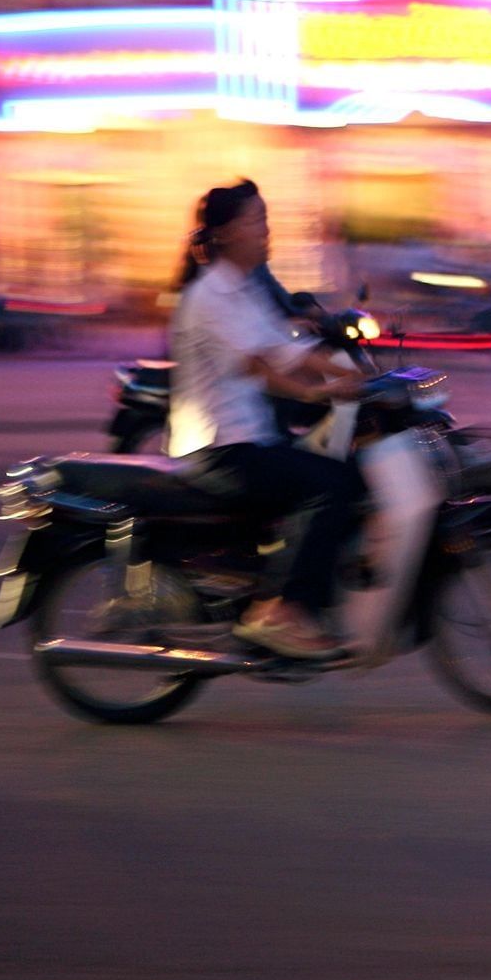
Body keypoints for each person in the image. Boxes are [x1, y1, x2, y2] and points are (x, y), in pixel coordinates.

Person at [169, 180, 368, 660]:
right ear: (229, 231)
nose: (267, 229)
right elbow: (257, 365)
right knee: (333, 485)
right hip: (221, 450)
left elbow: (286, 348)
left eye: (266, 218)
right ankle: (280, 612)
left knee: (340, 470)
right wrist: (318, 390)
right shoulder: (212, 295)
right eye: (257, 220)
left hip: (249, 440)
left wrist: (353, 372)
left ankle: (292, 594)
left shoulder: (244, 287)